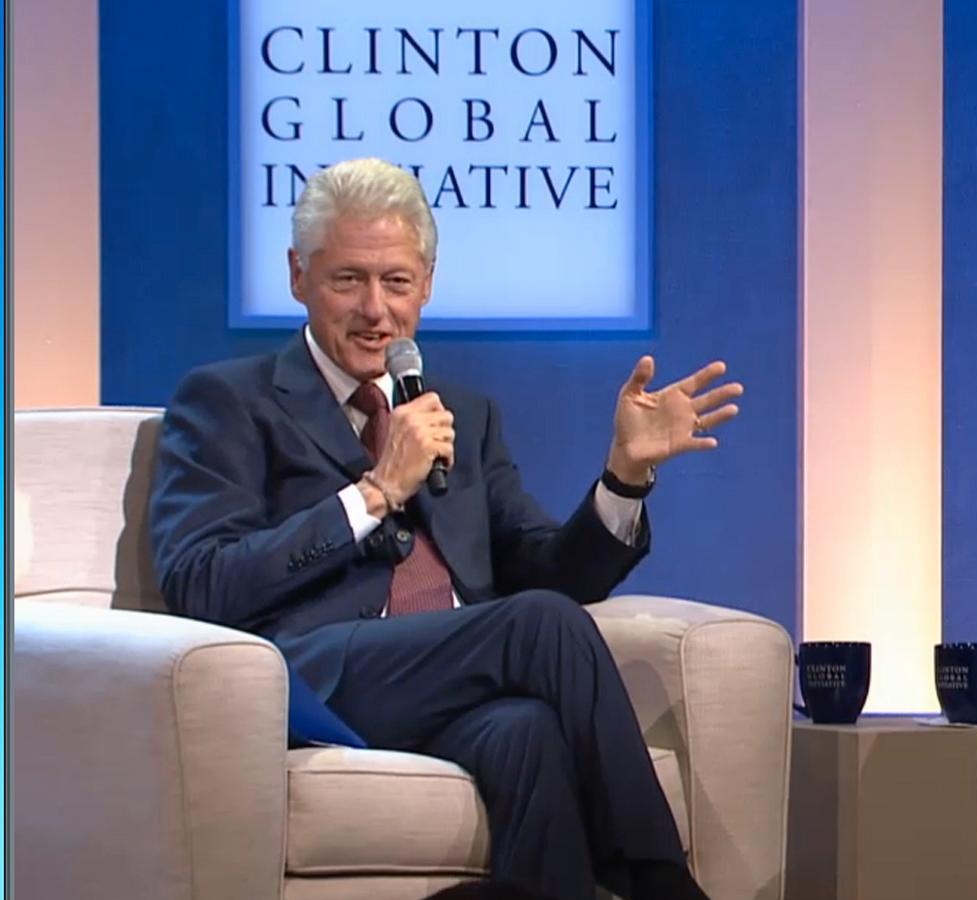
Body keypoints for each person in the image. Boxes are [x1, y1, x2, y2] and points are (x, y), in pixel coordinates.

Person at [148, 157, 743, 900]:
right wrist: (374, 493)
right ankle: (664, 885)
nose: (375, 309)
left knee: (528, 731)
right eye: (348, 280)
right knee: (537, 625)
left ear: (427, 284)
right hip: (314, 676)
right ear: (299, 275)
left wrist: (623, 476)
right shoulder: (228, 401)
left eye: (396, 282)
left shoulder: (463, 412)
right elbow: (201, 583)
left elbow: (553, 574)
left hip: (445, 685)